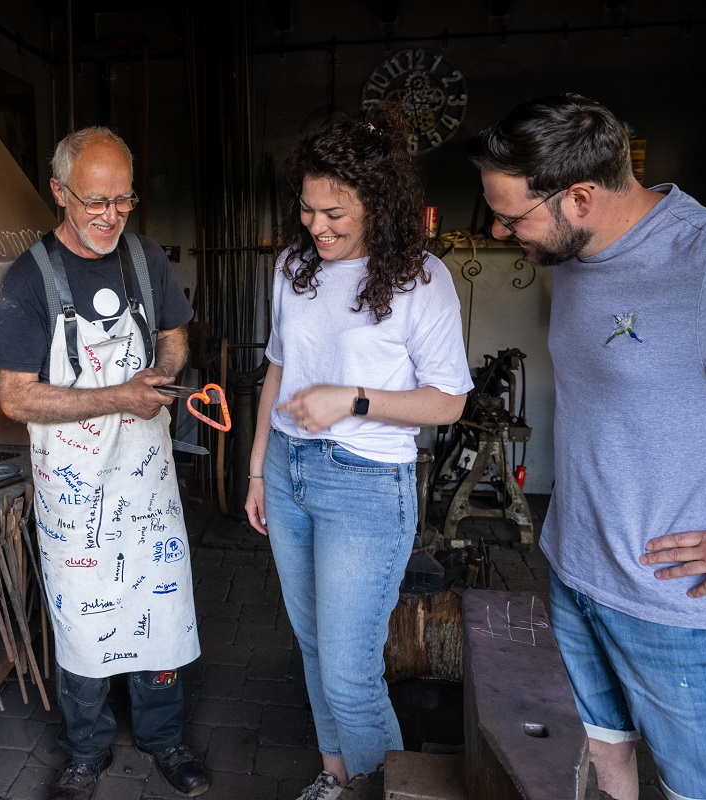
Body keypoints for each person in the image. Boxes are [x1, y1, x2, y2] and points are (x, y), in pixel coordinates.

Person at [466, 93, 706, 800]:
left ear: (579, 197)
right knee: (604, 769)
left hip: (686, 612)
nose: (497, 226)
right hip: (579, 576)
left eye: (512, 214)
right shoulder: (577, 254)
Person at [244, 105, 471, 800]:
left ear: (378, 202)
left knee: (350, 669)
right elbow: (277, 369)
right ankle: (336, 774)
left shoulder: (421, 279)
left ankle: (384, 788)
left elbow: (447, 401)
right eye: (308, 210)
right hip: (288, 471)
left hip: (366, 485)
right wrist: (256, 467)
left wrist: (353, 398)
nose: (317, 226)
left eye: (334, 213)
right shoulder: (293, 266)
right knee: (314, 648)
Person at [0, 126, 209, 800]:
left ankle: (164, 737)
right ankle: (84, 752)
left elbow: (174, 338)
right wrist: (117, 394)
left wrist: (162, 374)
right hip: (76, 494)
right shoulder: (31, 278)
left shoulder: (144, 260)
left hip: (147, 482)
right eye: (94, 202)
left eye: (123, 201)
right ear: (59, 193)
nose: (111, 216)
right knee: (83, 618)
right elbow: (15, 398)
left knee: (159, 609)